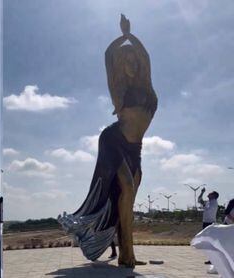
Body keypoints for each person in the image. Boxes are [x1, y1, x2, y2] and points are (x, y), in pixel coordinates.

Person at [58, 14, 156, 268]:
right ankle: (126, 256)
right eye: (126, 61)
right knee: (127, 189)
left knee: (127, 202)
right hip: (113, 140)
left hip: (135, 149)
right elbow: (107, 56)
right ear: (120, 66)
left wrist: (132, 37)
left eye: (134, 59)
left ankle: (127, 253)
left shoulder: (147, 86)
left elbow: (146, 57)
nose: (132, 63)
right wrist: (122, 36)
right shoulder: (119, 90)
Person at [197, 187, 219, 265]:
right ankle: (211, 259)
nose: (208, 193)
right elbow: (199, 200)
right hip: (206, 223)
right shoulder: (209, 202)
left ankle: (214, 259)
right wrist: (202, 192)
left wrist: (204, 205)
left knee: (210, 242)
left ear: (213, 196)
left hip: (210, 223)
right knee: (207, 242)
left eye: (211, 193)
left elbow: (209, 210)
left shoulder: (214, 203)